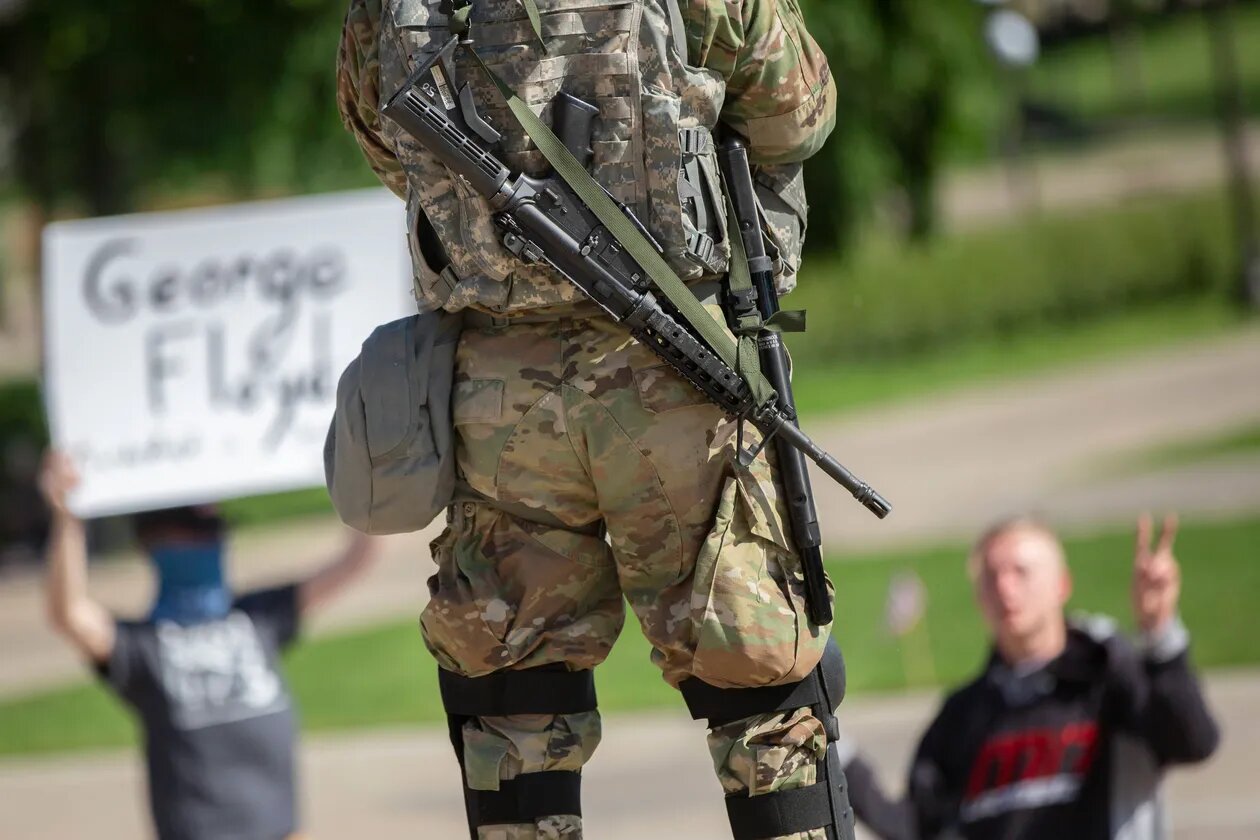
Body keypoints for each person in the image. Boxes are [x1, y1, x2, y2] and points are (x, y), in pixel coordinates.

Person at [337, 1, 850, 838]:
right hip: (672, 375)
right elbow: (796, 112)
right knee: (758, 679)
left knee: (511, 705)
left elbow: (387, 145)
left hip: (500, 395)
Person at [38, 450, 381, 840]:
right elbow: (68, 613)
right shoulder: (142, 645)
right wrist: (67, 518)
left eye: (217, 530)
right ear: (150, 541)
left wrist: (363, 475)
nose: (214, 539)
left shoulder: (256, 616)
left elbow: (355, 561)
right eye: (197, 531)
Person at [840, 514, 1221, 840]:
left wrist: (1159, 634)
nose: (1005, 588)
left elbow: (1193, 740)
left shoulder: (1107, 676)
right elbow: (918, 825)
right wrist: (837, 752)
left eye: (1021, 572)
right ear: (978, 597)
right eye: (991, 576)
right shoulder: (964, 713)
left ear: (1062, 584)